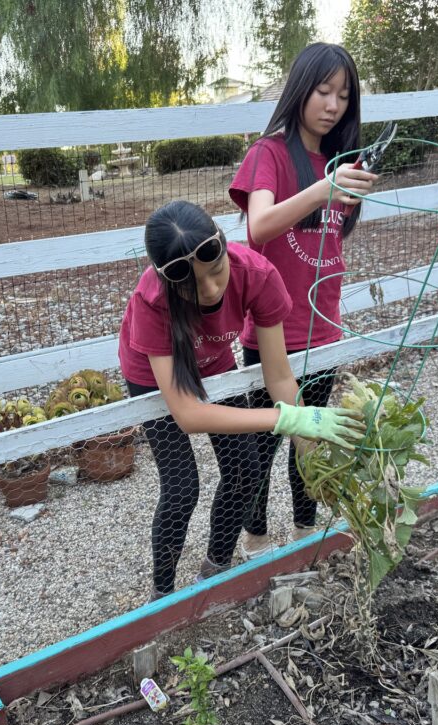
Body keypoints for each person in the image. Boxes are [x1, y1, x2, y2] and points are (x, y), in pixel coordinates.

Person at [118, 200, 361, 599]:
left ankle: (215, 569)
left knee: (246, 468)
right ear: (169, 282)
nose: (211, 290)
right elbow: (188, 414)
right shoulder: (153, 300)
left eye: (217, 272)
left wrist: (310, 447)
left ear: (225, 247)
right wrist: (283, 419)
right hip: (153, 375)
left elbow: (278, 376)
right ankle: (162, 597)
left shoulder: (257, 275)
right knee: (181, 488)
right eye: (193, 286)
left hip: (213, 360)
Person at [228, 42, 376, 558]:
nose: (333, 105)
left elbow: (331, 237)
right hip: (274, 333)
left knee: (312, 440)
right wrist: (323, 189)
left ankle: (303, 536)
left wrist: (338, 183)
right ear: (300, 90)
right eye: (323, 91)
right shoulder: (268, 154)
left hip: (324, 328)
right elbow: (259, 226)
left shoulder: (342, 161)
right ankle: (255, 540)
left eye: (344, 96)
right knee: (264, 445)